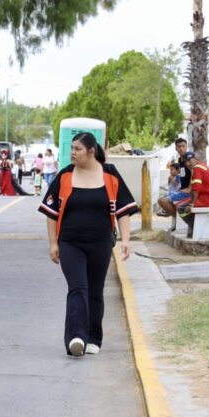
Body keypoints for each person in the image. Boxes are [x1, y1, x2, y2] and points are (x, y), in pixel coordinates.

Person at [40, 132, 137, 358]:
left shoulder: (110, 174)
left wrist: (125, 240)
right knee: (78, 288)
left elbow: (123, 211)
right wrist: (53, 243)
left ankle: (94, 337)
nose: (72, 152)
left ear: (91, 151)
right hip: (70, 243)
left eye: (77, 149)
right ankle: (76, 337)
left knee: (95, 291)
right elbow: (51, 213)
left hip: (100, 243)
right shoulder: (64, 175)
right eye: (71, 148)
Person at [178, 151, 209, 237]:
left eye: (189, 160)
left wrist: (191, 204)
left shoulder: (197, 168)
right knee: (180, 204)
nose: (188, 163)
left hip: (208, 198)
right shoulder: (200, 165)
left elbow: (196, 188)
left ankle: (197, 227)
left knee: (181, 208)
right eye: (186, 162)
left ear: (195, 159)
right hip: (208, 196)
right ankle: (197, 227)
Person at [156, 137, 191, 230]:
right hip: (181, 191)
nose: (181, 148)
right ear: (176, 148)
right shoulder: (180, 160)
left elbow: (195, 174)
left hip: (188, 192)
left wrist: (190, 188)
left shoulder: (189, 159)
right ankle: (178, 217)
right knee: (160, 200)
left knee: (163, 201)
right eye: (179, 146)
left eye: (183, 146)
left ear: (187, 147)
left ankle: (181, 219)